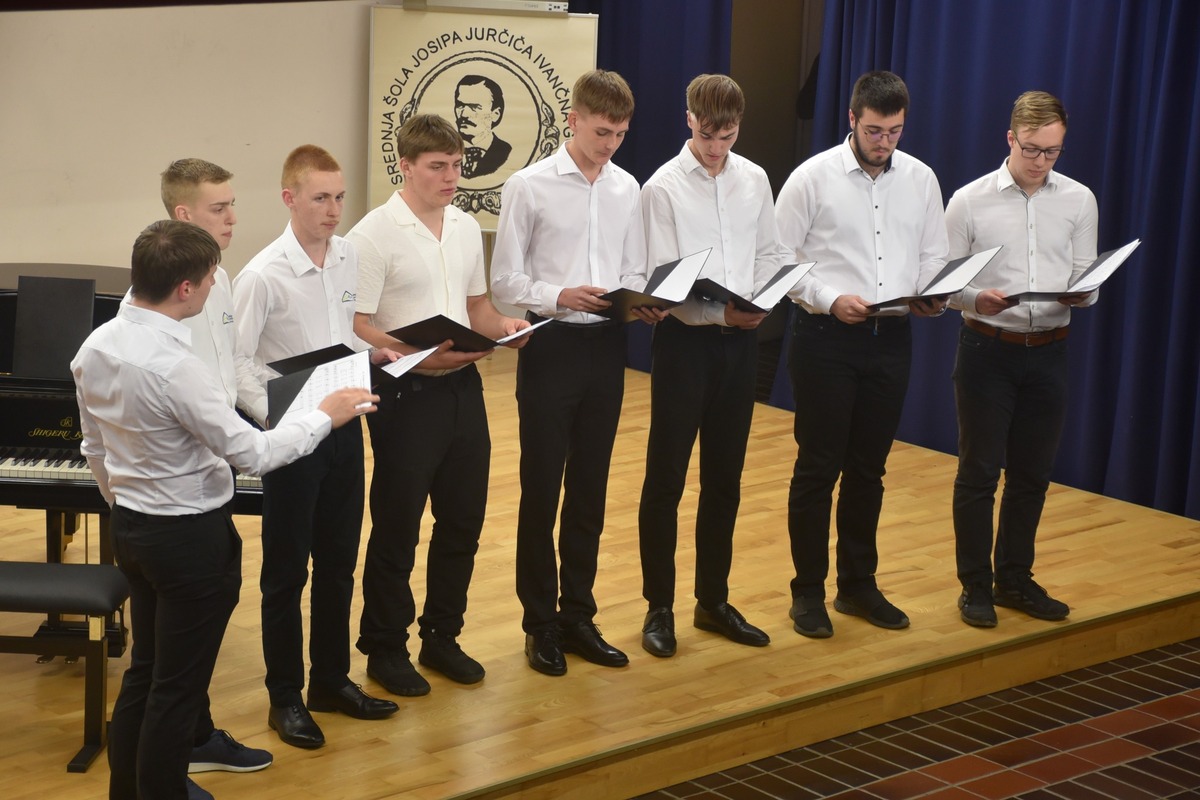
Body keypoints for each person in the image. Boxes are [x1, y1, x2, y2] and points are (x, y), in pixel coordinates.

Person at [73, 219, 377, 800]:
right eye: (211, 278)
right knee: (176, 691)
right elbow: (254, 454)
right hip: (188, 542)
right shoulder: (177, 367)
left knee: (144, 674)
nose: (216, 287)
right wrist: (325, 415)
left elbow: (94, 448)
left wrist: (127, 506)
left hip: (132, 528)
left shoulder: (95, 345)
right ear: (185, 288)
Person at [345, 114, 529, 696]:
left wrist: (506, 326)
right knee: (398, 526)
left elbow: (477, 308)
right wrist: (414, 354)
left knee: (463, 522)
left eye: (456, 165)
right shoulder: (372, 235)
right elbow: (357, 325)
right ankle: (384, 646)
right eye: (438, 167)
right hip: (406, 394)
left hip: (463, 389)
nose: (452, 177)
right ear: (405, 166)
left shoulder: (466, 226)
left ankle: (442, 636)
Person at [233, 145, 399, 749]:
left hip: (345, 426)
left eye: (340, 198)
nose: (333, 209)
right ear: (290, 199)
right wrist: (279, 418)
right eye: (321, 198)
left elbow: (339, 334)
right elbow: (237, 363)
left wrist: (370, 355)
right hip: (292, 437)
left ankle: (331, 679)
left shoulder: (347, 254)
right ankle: (285, 696)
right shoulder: (262, 275)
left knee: (337, 562)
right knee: (285, 573)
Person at [775, 70, 949, 639]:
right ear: (852, 119)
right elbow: (778, 261)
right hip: (825, 339)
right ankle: (807, 592)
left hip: (892, 337)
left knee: (869, 469)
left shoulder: (921, 179)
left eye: (894, 131)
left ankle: (857, 584)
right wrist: (830, 298)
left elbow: (933, 254)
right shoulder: (811, 178)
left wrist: (931, 294)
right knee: (818, 466)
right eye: (874, 130)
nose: (884, 142)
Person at [491, 69, 648, 676]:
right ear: (573, 120)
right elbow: (505, 282)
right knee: (541, 488)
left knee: (590, 488)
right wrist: (558, 295)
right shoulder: (528, 186)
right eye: (602, 132)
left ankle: (579, 614)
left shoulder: (627, 187)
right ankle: (540, 624)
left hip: (607, 345)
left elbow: (633, 267)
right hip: (550, 344)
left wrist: (640, 299)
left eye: (621, 134)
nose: (610, 145)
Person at [637, 74, 781, 658]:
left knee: (725, 478)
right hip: (684, 346)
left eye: (728, 136)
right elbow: (661, 279)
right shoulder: (662, 188)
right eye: (707, 135)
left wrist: (761, 301)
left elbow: (771, 253)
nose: (717, 148)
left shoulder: (755, 179)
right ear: (689, 120)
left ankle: (713, 601)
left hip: (740, 346)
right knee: (666, 479)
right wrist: (719, 310)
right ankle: (659, 607)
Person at [946, 91, 1097, 628]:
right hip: (988, 348)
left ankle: (1014, 579)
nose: (1040, 161)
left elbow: (1087, 280)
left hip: (1050, 349)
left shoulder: (1079, 199)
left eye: (1052, 151)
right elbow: (944, 285)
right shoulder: (969, 201)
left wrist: (1084, 292)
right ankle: (974, 586)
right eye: (1031, 149)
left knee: (1032, 474)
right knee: (979, 473)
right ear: (1010, 138)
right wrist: (973, 298)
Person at [157, 158, 273, 774]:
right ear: (184, 214)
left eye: (232, 206)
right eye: (218, 208)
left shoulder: (219, 277)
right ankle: (180, 750)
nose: (232, 218)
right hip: (185, 485)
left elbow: (232, 371)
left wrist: (276, 412)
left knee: (202, 620)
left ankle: (194, 734)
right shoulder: (170, 294)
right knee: (179, 632)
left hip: (215, 472)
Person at [455, 74, 512, 179]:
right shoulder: (441, 149)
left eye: (475, 107)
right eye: (460, 105)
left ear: (495, 114)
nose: (464, 114)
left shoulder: (507, 152)